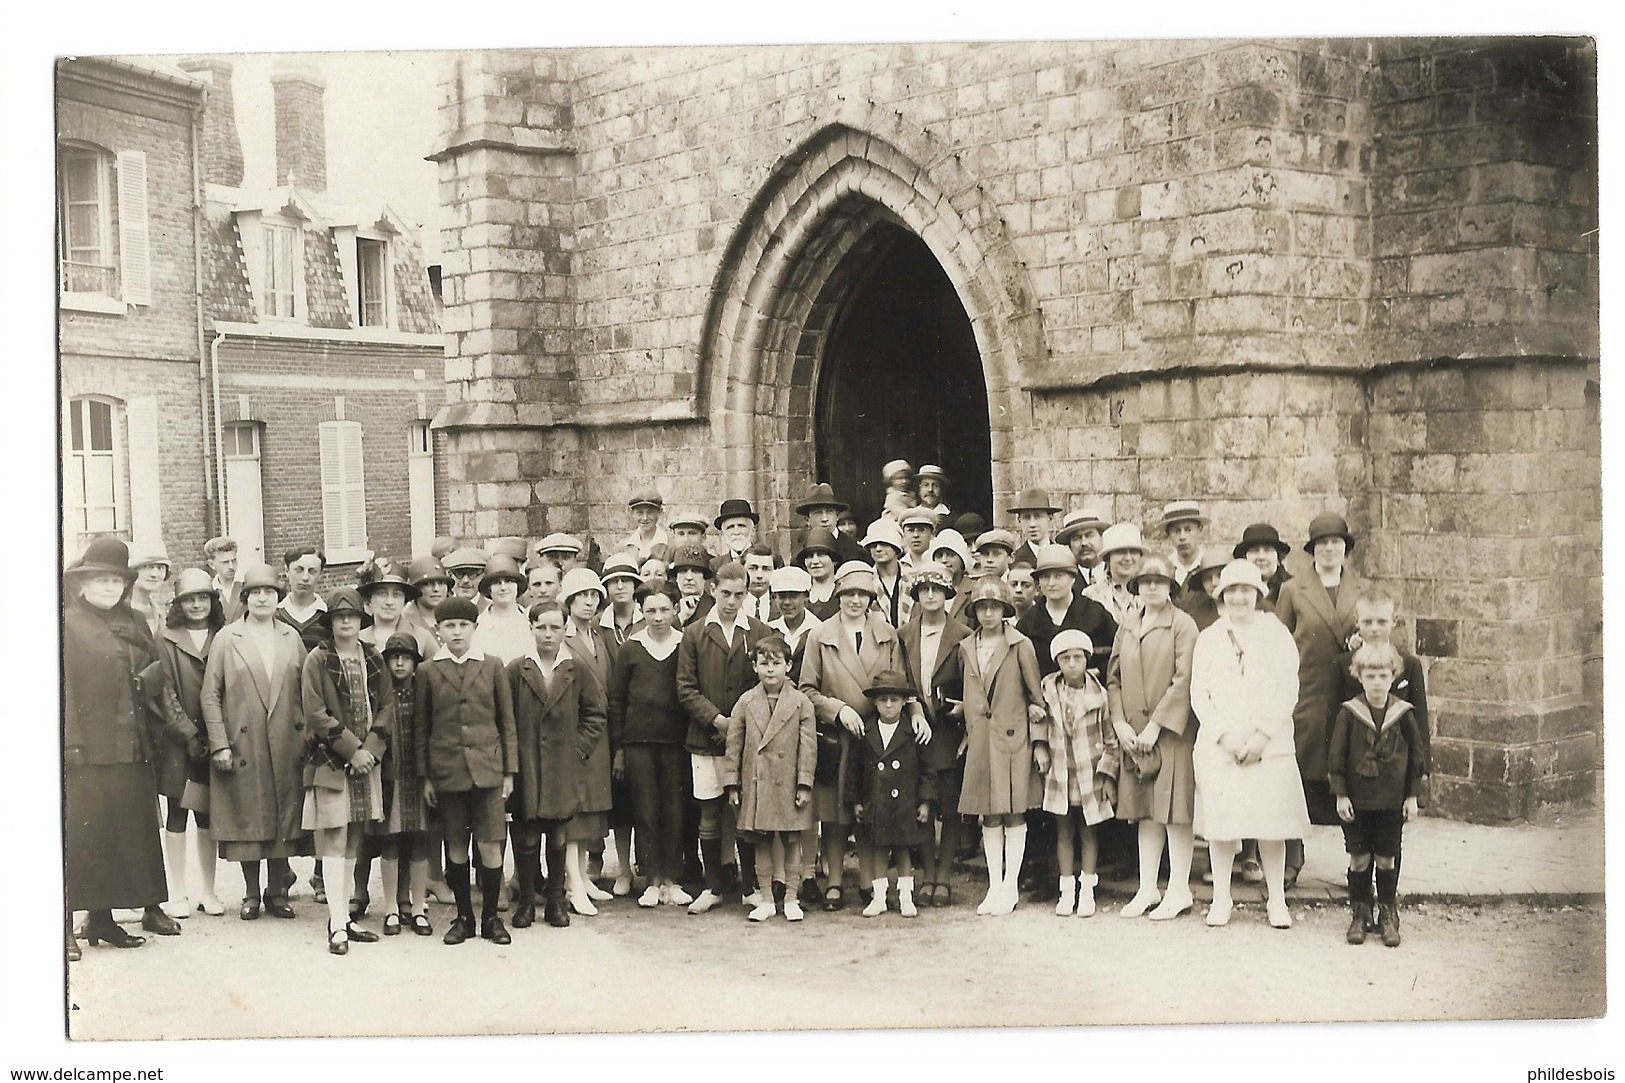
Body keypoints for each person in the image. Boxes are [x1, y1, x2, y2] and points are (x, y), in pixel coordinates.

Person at [64, 539, 181, 960]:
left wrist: (145, 680)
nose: (110, 586)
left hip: (133, 744)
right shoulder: (67, 624)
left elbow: (157, 669)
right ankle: (64, 928)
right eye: (101, 578)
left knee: (130, 831)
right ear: (82, 584)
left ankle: (105, 919)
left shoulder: (134, 620)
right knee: (84, 835)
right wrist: (70, 740)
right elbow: (63, 688)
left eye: (116, 579)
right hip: (87, 749)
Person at [798, 561, 928, 912]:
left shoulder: (886, 633)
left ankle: (873, 882)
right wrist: (838, 709)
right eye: (848, 593)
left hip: (878, 736)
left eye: (861, 594)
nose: (854, 600)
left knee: (876, 808)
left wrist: (914, 713)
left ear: (871, 597)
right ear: (838, 595)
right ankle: (836, 881)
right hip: (837, 736)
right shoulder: (819, 635)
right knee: (836, 812)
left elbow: (901, 684)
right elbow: (806, 688)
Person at [1190, 560, 1307, 929]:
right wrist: (1224, 736)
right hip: (1222, 746)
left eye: (1246, 590)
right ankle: (1222, 898)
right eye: (1232, 591)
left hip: (1267, 746)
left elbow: (1288, 689)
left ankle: (1276, 899)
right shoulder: (1209, 637)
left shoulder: (1276, 634)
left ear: (1259, 594)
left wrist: (1261, 736)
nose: (1239, 597)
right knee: (1223, 825)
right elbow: (1200, 694)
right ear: (1222, 595)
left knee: (1270, 824)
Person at [201, 563, 311, 923]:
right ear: (245, 599)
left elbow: (306, 691)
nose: (263, 598)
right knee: (249, 814)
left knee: (282, 814)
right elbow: (210, 694)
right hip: (242, 740)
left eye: (270, 593)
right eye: (255, 593)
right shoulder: (227, 638)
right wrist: (219, 743)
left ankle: (277, 891)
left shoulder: (291, 637)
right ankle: (250, 892)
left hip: (284, 739)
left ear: (278, 598)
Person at [416, 596, 517, 946]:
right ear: (438, 630)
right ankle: (464, 918)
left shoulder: (492, 665)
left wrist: (509, 771)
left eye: (463, 626)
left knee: (490, 845)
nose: (456, 632)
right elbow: (422, 728)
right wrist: (426, 776)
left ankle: (491, 918)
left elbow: (506, 722)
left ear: (475, 628)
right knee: (455, 844)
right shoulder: (427, 671)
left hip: (488, 771)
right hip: (447, 773)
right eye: (449, 626)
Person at [1107, 555, 1201, 920]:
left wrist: (1155, 726)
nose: (1151, 588)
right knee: (1145, 811)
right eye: (1145, 582)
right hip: (1134, 735)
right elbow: (1113, 677)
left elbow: (1184, 680)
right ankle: (1148, 888)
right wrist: (1120, 722)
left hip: (1170, 734)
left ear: (1170, 588)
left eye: (1159, 582)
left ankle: (1179, 889)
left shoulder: (1183, 624)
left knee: (1175, 811)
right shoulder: (1128, 623)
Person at [299, 588, 390, 955]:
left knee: (355, 838)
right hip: (332, 759)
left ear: (361, 621)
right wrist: (353, 750)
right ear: (331, 623)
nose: (346, 622)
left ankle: (345, 918)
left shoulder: (373, 657)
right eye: (339, 617)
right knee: (335, 838)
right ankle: (337, 922)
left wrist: (371, 750)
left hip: (366, 761)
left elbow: (385, 708)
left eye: (352, 617)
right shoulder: (318, 660)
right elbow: (316, 714)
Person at [1273, 512, 1363, 885]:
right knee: (1298, 777)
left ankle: (1357, 857)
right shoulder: (1293, 590)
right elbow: (1278, 645)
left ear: (1345, 549)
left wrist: (1362, 643)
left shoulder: (1362, 589)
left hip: (1348, 698)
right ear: (1312, 550)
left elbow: (1380, 635)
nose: (1330, 549)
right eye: (1322, 543)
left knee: (1350, 776)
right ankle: (1293, 859)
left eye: (1336, 543)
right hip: (1306, 698)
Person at [677, 561, 771, 913]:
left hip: (747, 740)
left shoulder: (759, 631)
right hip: (705, 738)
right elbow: (685, 688)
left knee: (745, 811)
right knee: (711, 811)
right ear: (712, 590)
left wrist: (741, 724)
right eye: (726, 594)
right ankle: (713, 885)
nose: (732, 601)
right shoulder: (695, 633)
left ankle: (749, 886)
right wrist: (716, 719)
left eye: (740, 594)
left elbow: (767, 683)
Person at [509, 601, 609, 930]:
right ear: (531, 628)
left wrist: (576, 750)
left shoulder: (576, 669)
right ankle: (526, 902)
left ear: (566, 628)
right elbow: (505, 719)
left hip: (562, 767)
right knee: (525, 836)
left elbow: (595, 715)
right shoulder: (516, 669)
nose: (548, 634)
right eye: (541, 627)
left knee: (557, 836)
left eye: (555, 627)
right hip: (527, 766)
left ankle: (555, 900)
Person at [956, 576, 1047, 916]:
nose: (988, 613)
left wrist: (1038, 743)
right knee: (988, 815)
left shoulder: (1020, 644)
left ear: (1006, 610)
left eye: (995, 607)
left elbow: (1036, 700)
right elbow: (972, 695)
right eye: (982, 607)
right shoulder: (967, 647)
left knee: (1013, 812)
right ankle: (994, 884)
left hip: (1013, 740)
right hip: (980, 739)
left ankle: (1010, 884)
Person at [1329, 641, 1429, 948]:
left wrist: (1412, 797)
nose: (1376, 682)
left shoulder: (1402, 713)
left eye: (1383, 676)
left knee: (1386, 858)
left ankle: (1388, 912)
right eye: (1370, 676)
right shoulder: (1349, 714)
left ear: (1393, 677)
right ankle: (1360, 912)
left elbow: (1417, 759)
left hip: (1390, 802)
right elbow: (1336, 759)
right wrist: (1341, 795)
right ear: (1359, 676)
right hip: (1357, 803)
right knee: (1359, 859)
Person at [608, 584, 692, 909]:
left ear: (675, 609)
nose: (658, 617)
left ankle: (672, 879)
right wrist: (619, 748)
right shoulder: (631, 648)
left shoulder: (685, 645)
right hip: (638, 743)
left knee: (674, 810)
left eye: (664, 610)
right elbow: (617, 701)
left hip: (675, 743)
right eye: (651, 610)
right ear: (641, 611)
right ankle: (652, 881)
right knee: (645, 810)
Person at [725, 636, 817, 922]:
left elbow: (808, 747)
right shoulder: (745, 702)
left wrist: (804, 783)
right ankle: (765, 898)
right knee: (761, 842)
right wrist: (732, 783)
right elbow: (734, 745)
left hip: (789, 784)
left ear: (789, 666)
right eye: (764, 663)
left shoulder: (801, 703)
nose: (770, 670)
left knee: (792, 842)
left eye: (776, 663)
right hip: (757, 784)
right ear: (754, 667)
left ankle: (791, 897)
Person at [151, 568, 226, 920]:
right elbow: (164, 693)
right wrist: (188, 735)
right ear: (179, 604)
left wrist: (215, 736)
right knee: (178, 813)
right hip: (179, 743)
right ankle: (177, 893)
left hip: (215, 739)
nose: (197, 605)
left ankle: (207, 891)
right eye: (189, 600)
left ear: (212, 601)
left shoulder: (224, 636)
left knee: (208, 814)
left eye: (203, 598)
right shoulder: (165, 638)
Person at [899, 563, 970, 908]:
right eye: (923, 590)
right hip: (916, 730)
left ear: (947, 595)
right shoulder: (904, 635)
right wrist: (913, 710)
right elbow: (901, 681)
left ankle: (944, 875)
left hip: (949, 728)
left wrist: (963, 707)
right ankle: (927, 873)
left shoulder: (963, 635)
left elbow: (975, 681)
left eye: (937, 590)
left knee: (949, 804)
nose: (930, 595)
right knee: (920, 803)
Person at [1040, 630, 1118, 917]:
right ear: (1057, 661)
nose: (1071, 664)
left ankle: (1087, 889)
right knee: (1063, 831)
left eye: (1077, 657)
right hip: (1060, 772)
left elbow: (1111, 740)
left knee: (1089, 831)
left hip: (1089, 774)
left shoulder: (1100, 696)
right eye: (1065, 658)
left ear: (1086, 659)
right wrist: (1039, 747)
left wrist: (1108, 775)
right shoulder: (1048, 690)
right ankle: (1066, 889)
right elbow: (1039, 721)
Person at [845, 669, 934, 918]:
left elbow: (927, 769)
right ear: (875, 702)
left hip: (905, 803)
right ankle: (880, 897)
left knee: (904, 849)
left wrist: (925, 802)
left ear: (904, 702)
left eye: (894, 700)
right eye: (883, 700)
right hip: (877, 803)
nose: (888, 705)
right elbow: (855, 769)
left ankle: (906, 897)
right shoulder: (866, 731)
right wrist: (855, 802)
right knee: (879, 849)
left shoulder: (913, 731)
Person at [560, 568, 620, 910]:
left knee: (590, 813)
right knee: (574, 811)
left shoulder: (599, 637)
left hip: (600, 737)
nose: (589, 601)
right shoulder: (563, 638)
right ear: (568, 600)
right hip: (575, 735)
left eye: (594, 596)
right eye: (582, 595)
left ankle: (582, 877)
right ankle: (572, 885)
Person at [375, 634, 434, 937]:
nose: (399, 663)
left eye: (406, 657)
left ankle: (419, 906)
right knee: (390, 840)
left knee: (420, 840)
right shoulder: (380, 695)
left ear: (415, 663)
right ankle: (391, 909)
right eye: (393, 657)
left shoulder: (424, 693)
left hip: (419, 777)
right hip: (391, 777)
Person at [1018, 544, 1117, 679]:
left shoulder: (1095, 613)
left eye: (1058, 576)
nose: (1051, 583)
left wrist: (1098, 672)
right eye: (1045, 577)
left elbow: (1118, 652)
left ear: (1073, 578)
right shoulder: (1028, 622)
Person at [360, 570, 437, 660]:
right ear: (369, 599)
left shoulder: (422, 636)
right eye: (382, 594)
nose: (389, 602)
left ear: (405, 601)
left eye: (396, 595)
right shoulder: (358, 639)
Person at [473, 554, 534, 664]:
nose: (503, 588)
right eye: (496, 583)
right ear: (489, 589)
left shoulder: (531, 621)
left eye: (509, 581)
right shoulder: (478, 624)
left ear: (517, 586)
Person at [1084, 523, 1146, 627]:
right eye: (1121, 552)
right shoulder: (1091, 595)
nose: (1128, 558)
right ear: (1108, 558)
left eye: (1134, 552)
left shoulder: (1155, 589)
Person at [767, 566, 822, 680]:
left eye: (793, 595)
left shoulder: (819, 630)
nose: (787, 602)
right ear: (774, 597)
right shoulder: (769, 630)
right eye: (782, 596)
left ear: (806, 596)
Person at [793, 482, 868, 566]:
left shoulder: (855, 550)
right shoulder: (801, 554)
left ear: (837, 516)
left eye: (829, 512)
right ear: (807, 519)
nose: (825, 519)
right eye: (818, 513)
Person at [276, 546, 330, 653]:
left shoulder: (328, 618)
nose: (305, 577)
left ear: (320, 575)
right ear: (287, 571)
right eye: (299, 570)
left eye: (312, 571)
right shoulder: (275, 616)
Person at [862, 518, 910, 627]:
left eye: (884, 543)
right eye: (873, 545)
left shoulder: (912, 577)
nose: (878, 549)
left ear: (895, 547)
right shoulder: (866, 580)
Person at [1235, 522, 1294, 607]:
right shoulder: (1234, 591)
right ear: (1244, 558)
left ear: (1278, 557)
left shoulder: (1294, 588)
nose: (1261, 557)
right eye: (1254, 551)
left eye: (1267, 550)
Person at [1176, 546, 1232, 632]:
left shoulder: (1252, 609)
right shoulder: (1195, 615)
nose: (1214, 583)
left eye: (1220, 575)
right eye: (1208, 578)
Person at [1159, 501, 1209, 590]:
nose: (1182, 537)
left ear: (1200, 530)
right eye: (1176, 531)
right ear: (1168, 534)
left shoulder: (1208, 566)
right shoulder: (1164, 569)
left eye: (1188, 530)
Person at [598, 554, 646, 645]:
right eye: (614, 581)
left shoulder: (647, 618)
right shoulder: (597, 623)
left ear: (634, 585)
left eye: (625, 580)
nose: (620, 587)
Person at [1055, 509, 1108, 590]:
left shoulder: (1117, 573)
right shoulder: (1064, 581)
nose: (1084, 543)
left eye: (1089, 535)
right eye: (1076, 538)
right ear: (1069, 545)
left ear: (1102, 537)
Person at [1009, 488, 1061, 568]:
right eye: (1026, 518)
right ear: (1019, 520)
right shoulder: (1013, 562)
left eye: (1038, 517)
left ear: (1050, 518)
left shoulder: (1062, 556)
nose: (1032, 524)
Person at [794, 530, 841, 620]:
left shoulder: (843, 591)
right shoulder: (800, 591)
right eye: (810, 556)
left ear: (834, 560)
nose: (815, 561)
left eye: (821, 555)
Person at [128, 549, 172, 640]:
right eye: (147, 567)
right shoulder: (123, 609)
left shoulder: (159, 612)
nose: (154, 574)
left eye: (160, 568)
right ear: (133, 571)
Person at [670, 543, 715, 627]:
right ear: (676, 577)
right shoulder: (668, 607)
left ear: (704, 577)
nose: (689, 577)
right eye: (683, 571)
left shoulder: (715, 608)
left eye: (695, 571)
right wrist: (681, 617)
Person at [204, 536, 245, 623]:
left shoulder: (246, 587)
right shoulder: (208, 590)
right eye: (225, 562)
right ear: (211, 564)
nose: (231, 566)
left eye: (233, 561)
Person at [622, 488, 669, 563]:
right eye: (639, 513)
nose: (645, 518)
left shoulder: (670, 545)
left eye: (650, 512)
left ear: (659, 512)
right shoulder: (623, 547)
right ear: (632, 513)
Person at [713, 499, 760, 569]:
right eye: (730, 527)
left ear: (753, 530)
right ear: (722, 533)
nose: (736, 532)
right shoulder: (715, 564)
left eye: (741, 526)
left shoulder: (768, 559)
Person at [443, 547, 492, 612]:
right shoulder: (442, 609)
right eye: (459, 574)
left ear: (483, 576)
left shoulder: (491, 609)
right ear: (450, 575)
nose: (465, 580)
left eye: (472, 574)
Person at [740, 544, 777, 624]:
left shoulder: (781, 608)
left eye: (766, 569)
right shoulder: (733, 606)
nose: (759, 576)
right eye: (753, 568)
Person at [898, 508, 937, 572]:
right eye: (910, 530)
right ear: (904, 534)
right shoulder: (899, 566)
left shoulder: (938, 562)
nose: (916, 535)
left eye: (922, 530)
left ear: (932, 534)